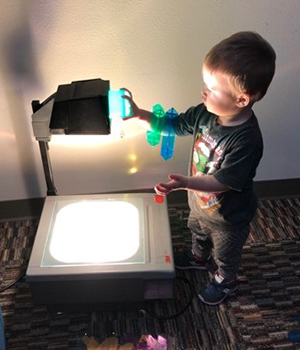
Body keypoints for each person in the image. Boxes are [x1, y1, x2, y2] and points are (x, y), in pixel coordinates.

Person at [122, 31, 276, 305]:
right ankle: (197, 258)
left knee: (226, 255)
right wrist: (139, 114)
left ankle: (226, 281)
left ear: (242, 99)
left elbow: (221, 182)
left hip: (229, 216)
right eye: (205, 84)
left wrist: (185, 183)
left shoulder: (246, 140)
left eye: (212, 89)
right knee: (197, 230)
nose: (203, 93)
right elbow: (174, 124)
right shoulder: (205, 113)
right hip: (200, 204)